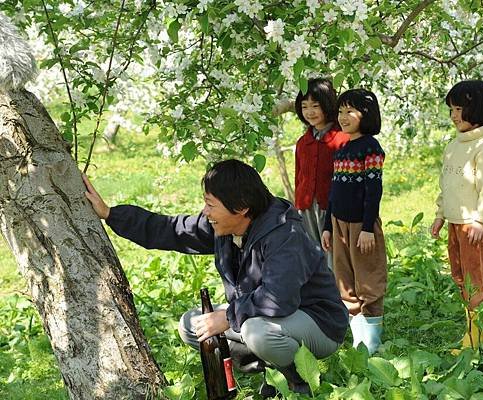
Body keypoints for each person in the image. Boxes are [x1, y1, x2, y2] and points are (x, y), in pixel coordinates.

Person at [83, 159, 349, 397]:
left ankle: (298, 385)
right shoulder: (223, 225)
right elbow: (171, 230)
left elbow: (279, 299)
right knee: (193, 326)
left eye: (211, 205)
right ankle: (271, 371)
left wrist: (227, 317)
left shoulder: (284, 234)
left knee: (255, 331)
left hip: (317, 323)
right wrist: (110, 214)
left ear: (242, 207)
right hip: (266, 317)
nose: (205, 212)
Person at [429, 79, 483, 353]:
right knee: (460, 276)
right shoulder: (454, 146)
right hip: (455, 223)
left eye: (459, 108)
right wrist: (440, 215)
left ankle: (481, 337)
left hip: (473, 225)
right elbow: (446, 184)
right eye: (451, 109)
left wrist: (481, 219)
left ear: (478, 108)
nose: (454, 115)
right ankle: (471, 330)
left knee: (476, 278)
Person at [321, 89, 387, 355]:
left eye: (350, 111)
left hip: (362, 226)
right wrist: (327, 226)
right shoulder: (341, 150)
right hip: (339, 225)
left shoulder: (370, 148)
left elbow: (374, 190)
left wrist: (368, 228)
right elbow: (333, 193)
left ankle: (372, 342)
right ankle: (359, 342)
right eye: (340, 111)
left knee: (368, 279)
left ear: (366, 115)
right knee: (345, 281)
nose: (343, 117)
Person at [294, 78, 348, 257]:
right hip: (306, 209)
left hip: (332, 208)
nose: (309, 112)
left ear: (327, 104)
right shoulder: (303, 143)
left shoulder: (342, 139)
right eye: (304, 106)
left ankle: (336, 286)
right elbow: (298, 177)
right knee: (311, 258)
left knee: (333, 257)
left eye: (315, 106)